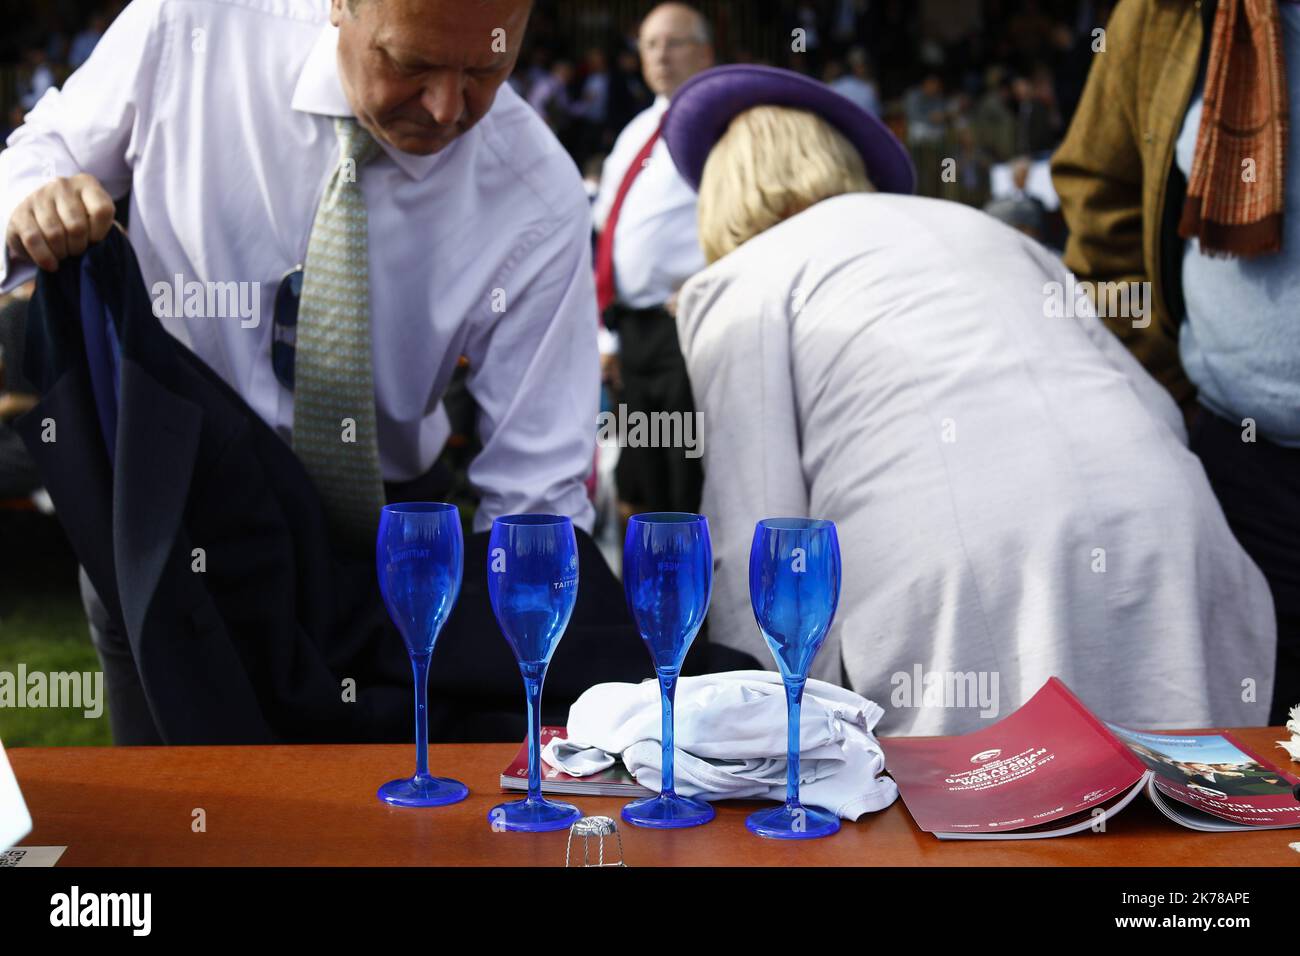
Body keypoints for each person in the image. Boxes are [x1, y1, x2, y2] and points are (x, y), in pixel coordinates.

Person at [0, 0, 604, 741]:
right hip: (170, 522)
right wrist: (34, 204)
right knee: (176, 820)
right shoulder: (188, 29)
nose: (447, 109)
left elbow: (536, 491)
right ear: (339, 6)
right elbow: (41, 154)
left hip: (385, 567)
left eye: (487, 68)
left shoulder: (537, 193)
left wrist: (536, 666)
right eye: (410, 65)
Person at [658, 64, 1277, 736]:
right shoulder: (989, 230)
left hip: (960, 576)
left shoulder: (741, 281)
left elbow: (759, 527)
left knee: (990, 827)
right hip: (1165, 523)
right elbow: (1151, 404)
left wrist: (754, 737)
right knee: (1185, 819)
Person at [1052, 0, 1299, 727]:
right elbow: (1101, 198)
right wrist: (1161, 383)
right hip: (1237, 462)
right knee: (1264, 751)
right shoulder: (1166, 16)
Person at [592, 1, 713, 519]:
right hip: (632, 336)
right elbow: (606, 233)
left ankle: (697, 599)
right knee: (636, 482)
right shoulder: (635, 131)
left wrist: (710, 284)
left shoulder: (721, 123)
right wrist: (606, 336)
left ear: (706, 51)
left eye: (675, 41)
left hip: (684, 329)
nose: (661, 54)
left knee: (686, 480)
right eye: (649, 44)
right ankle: (644, 598)